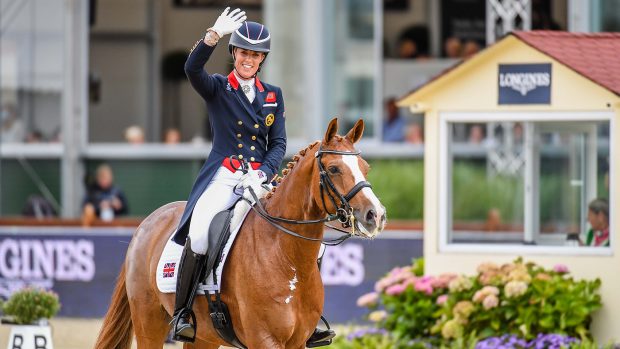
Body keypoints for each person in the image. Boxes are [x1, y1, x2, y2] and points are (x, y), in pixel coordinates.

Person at [169, 8, 334, 346]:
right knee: (200, 234)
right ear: (235, 54)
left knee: (310, 243)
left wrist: (263, 172)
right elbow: (192, 69)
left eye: (256, 55)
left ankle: (309, 318)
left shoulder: (272, 95)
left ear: (262, 60)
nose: (249, 59)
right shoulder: (217, 88)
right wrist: (212, 36)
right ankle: (184, 313)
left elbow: (279, 143)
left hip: (260, 180)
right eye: (244, 52)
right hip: (224, 177)